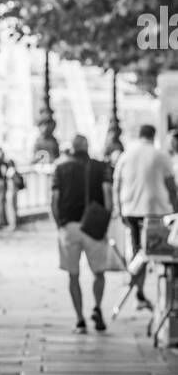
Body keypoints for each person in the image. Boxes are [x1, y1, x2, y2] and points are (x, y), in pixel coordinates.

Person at [51, 133, 113, 333]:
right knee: (99, 272)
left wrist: (59, 225)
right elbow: (108, 198)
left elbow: (54, 201)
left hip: (68, 226)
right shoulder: (100, 167)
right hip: (93, 226)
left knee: (73, 275)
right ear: (87, 148)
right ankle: (97, 307)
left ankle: (79, 319)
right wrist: (106, 220)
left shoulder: (60, 169)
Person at [113, 124, 178, 309]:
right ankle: (146, 289)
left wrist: (119, 208)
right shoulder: (161, 156)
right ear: (153, 135)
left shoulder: (126, 155)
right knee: (159, 254)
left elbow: (116, 184)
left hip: (131, 209)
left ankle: (137, 285)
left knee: (138, 251)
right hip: (155, 211)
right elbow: (171, 188)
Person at [5, 159, 25, 231]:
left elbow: (16, 180)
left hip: (11, 191)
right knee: (14, 207)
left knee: (11, 208)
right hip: (15, 190)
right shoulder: (14, 170)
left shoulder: (11, 171)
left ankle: (13, 224)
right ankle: (15, 223)